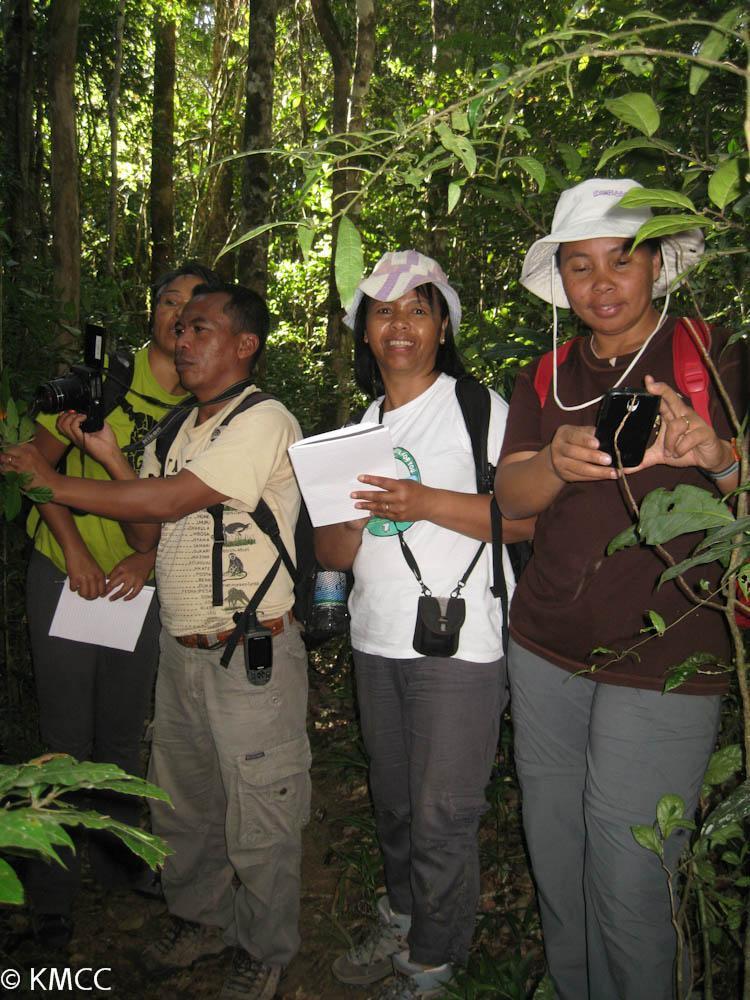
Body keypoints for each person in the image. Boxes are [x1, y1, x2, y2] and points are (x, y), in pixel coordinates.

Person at [3, 283, 309, 1000]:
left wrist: (53, 479)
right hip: (181, 649)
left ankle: (264, 948)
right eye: (180, 328)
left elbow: (172, 500)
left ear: (244, 345)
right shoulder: (177, 432)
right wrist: (111, 459)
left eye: (200, 328)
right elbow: (150, 534)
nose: (182, 339)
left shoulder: (262, 421)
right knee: (184, 803)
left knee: (259, 811)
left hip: (249, 655)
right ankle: (199, 917)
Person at [495, 178, 746, 1000]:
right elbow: (509, 498)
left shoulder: (715, 356)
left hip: (669, 652)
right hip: (544, 648)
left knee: (631, 872)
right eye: (579, 265)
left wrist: (715, 455)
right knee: (559, 854)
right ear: (560, 280)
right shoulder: (547, 375)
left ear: (657, 264)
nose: (601, 284)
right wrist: (552, 462)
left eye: (621, 260)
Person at [315, 251, 534, 1000]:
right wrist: (341, 519)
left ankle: (433, 964)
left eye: (418, 308)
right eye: (383, 311)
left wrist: (423, 500)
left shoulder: (481, 410)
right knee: (397, 800)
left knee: (444, 811)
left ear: (443, 325)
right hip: (375, 635)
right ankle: (404, 915)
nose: (399, 323)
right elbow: (333, 552)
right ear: (364, 334)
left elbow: (525, 516)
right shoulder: (358, 428)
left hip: (461, 641)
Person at [23, 262, 218, 948]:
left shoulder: (207, 403)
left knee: (119, 735)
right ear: (153, 313)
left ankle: (115, 864)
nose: (181, 316)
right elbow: (34, 466)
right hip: (66, 573)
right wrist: (74, 549)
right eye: (170, 301)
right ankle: (49, 902)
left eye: (197, 307)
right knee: (64, 740)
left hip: (142, 584)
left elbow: (194, 509)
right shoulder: (96, 380)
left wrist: (144, 557)